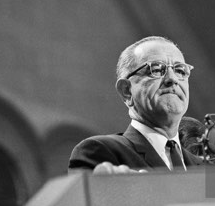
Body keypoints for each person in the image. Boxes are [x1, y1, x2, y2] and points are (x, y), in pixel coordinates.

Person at [68, 36, 202, 174]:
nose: (172, 79)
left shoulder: (208, 168)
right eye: (156, 69)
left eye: (180, 71)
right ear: (126, 91)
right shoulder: (101, 152)